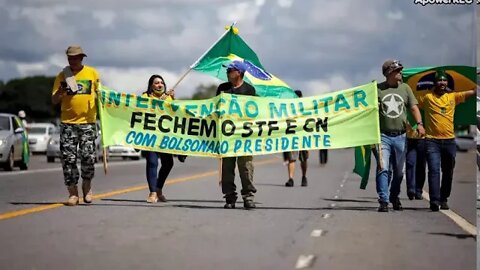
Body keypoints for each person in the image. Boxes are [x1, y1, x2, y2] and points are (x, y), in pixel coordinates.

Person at [417, 70, 475, 211]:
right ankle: (434, 201)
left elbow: (473, 91)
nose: (442, 83)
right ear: (434, 83)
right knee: (434, 170)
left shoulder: (453, 97)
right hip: (432, 141)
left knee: (448, 172)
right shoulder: (427, 97)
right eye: (439, 81)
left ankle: (444, 199)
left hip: (449, 141)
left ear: (447, 83)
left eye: (444, 81)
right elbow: (411, 103)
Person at [51, 45, 100, 206]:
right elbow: (54, 100)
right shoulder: (62, 75)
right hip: (68, 124)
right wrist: (60, 92)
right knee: (68, 159)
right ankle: (72, 192)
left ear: (81, 58)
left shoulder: (92, 73)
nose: (72, 60)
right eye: (70, 58)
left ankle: (87, 186)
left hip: (87, 123)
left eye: (75, 58)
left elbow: (101, 94)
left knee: (88, 156)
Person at [375, 59, 425, 212]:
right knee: (383, 168)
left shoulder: (405, 88)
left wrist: (420, 124)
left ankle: (394, 196)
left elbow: (414, 108)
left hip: (401, 136)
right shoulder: (376, 89)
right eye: (397, 71)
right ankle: (383, 200)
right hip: (382, 136)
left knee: (399, 172)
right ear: (389, 73)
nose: (401, 73)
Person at [216, 61, 257, 210]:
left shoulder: (249, 90)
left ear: (239, 72)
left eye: (230, 70)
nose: (227, 73)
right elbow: (215, 108)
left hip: (244, 137)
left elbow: (255, 112)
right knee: (227, 168)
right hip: (227, 137)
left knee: (246, 167)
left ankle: (248, 197)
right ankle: (229, 197)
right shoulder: (223, 89)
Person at [141, 75, 183, 203]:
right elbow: (142, 111)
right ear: (151, 86)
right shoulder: (145, 97)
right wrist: (158, 103)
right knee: (152, 162)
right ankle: (152, 192)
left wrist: (173, 100)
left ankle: (158, 188)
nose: (160, 85)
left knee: (168, 163)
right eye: (156, 83)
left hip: (166, 137)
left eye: (161, 83)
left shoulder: (169, 97)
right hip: (151, 136)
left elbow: (176, 115)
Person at [284, 90, 309, 187]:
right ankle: (291, 178)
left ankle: (304, 176)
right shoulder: (289, 110)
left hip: (303, 136)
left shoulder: (305, 109)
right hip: (292, 136)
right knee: (292, 159)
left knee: (304, 159)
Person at [405, 123, 426, 200]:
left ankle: (418, 190)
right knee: (410, 162)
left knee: (421, 165)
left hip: (423, 138)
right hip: (410, 137)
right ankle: (411, 189)